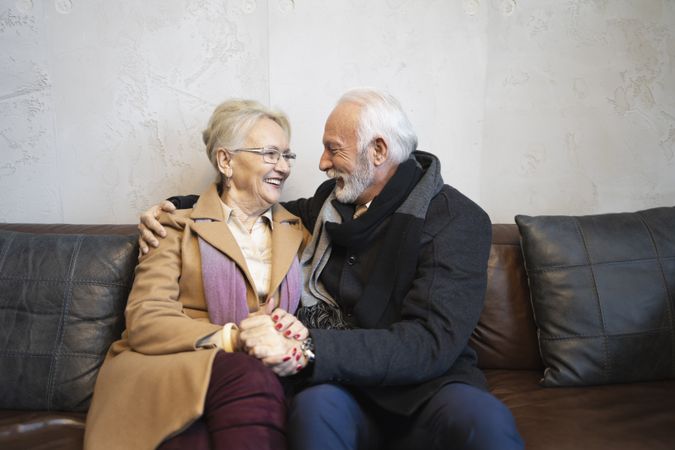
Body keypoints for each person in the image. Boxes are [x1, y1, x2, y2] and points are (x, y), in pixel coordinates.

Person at [140, 88, 524, 450]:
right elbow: (249, 206)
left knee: (485, 422)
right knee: (313, 411)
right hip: (344, 387)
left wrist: (307, 346)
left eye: (332, 150)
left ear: (377, 151)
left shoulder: (456, 220)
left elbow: (429, 343)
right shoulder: (331, 204)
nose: (321, 163)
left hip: (428, 387)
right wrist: (177, 207)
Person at [85, 99, 311, 450]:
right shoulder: (174, 227)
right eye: (270, 154)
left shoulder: (300, 232)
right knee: (247, 378)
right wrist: (233, 339)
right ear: (225, 161)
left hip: (261, 373)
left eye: (286, 155)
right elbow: (147, 319)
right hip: (174, 366)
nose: (282, 167)